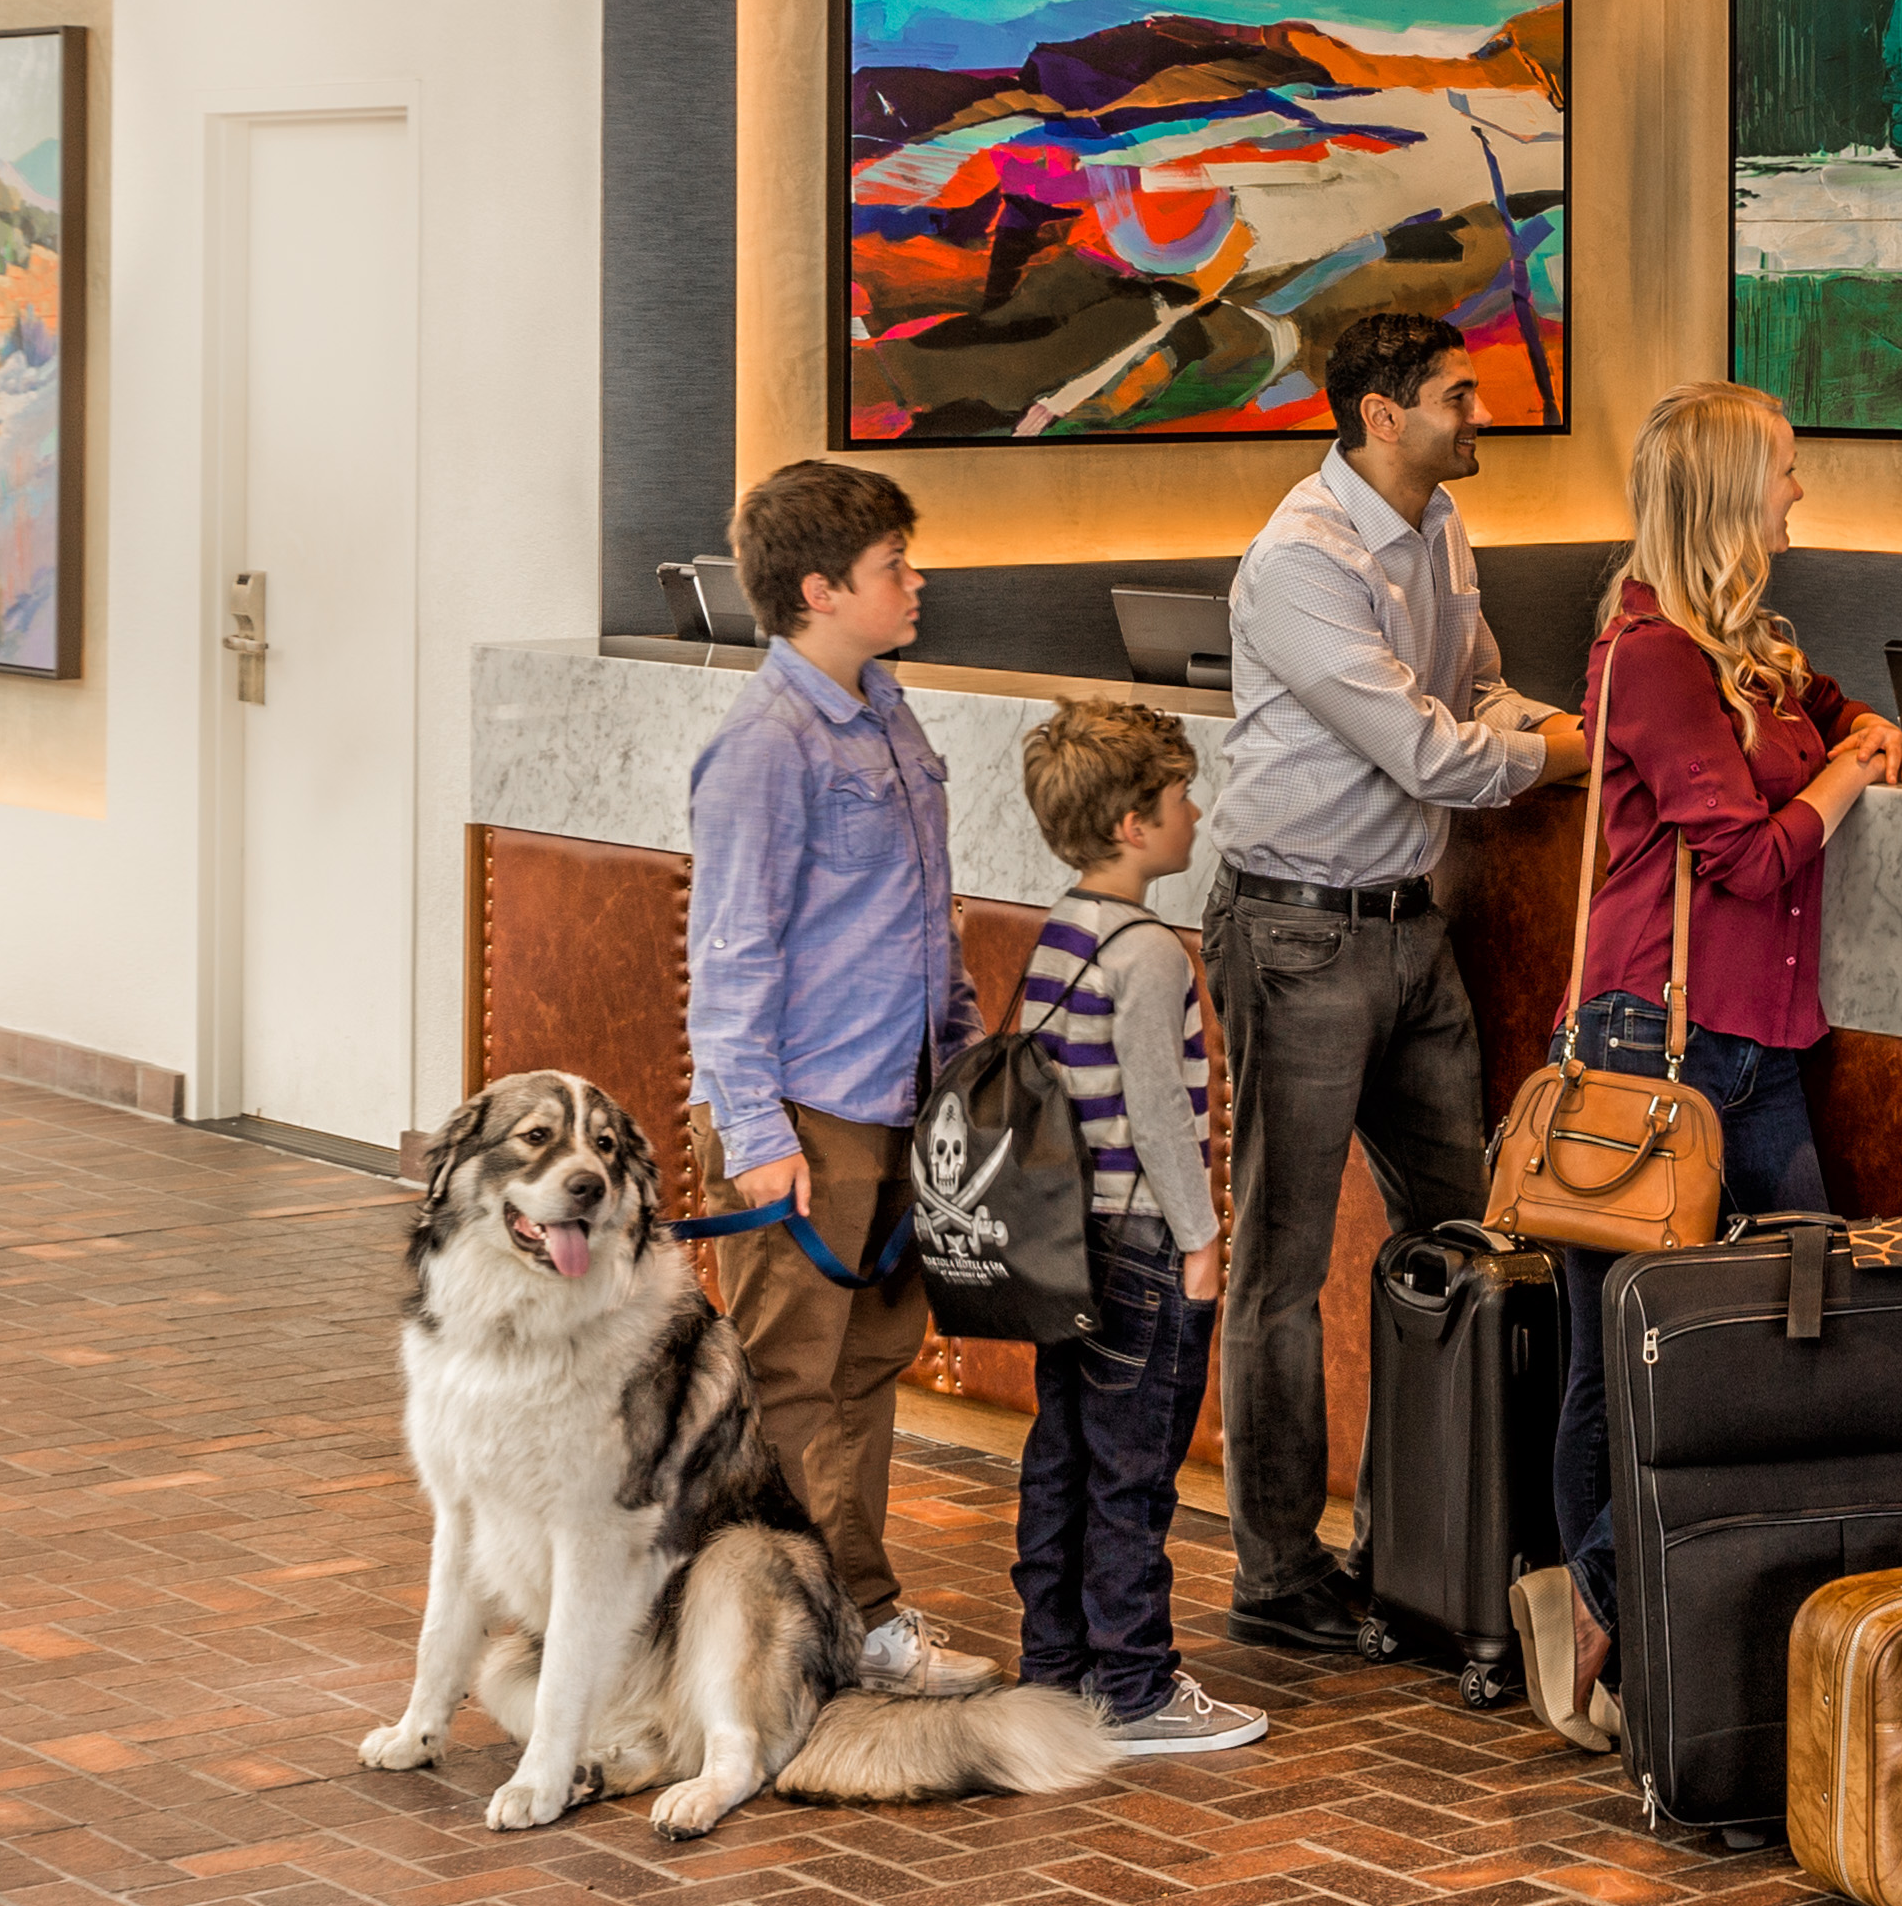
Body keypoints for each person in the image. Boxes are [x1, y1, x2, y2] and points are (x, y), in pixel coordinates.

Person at [1206, 306, 1591, 1655]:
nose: (1480, 415)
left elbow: (1476, 691)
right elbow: (1428, 751)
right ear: (1382, 414)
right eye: (1458, 395)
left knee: (1467, 1236)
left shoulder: (1438, 529)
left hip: (1410, 927)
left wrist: (1576, 725)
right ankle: (1275, 1571)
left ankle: (1429, 1543)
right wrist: (1575, 755)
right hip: (1294, 933)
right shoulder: (1299, 559)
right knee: (1282, 1265)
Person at [1544, 379, 1902, 1708]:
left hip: (1761, 1045)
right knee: (1618, 1350)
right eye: (1782, 468)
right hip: (1648, 1044)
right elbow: (1747, 858)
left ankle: (1600, 1601)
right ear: (1724, 492)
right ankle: (1611, 1628)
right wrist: (1848, 770)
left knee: (1793, 1323)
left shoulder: (1747, 646)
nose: (1797, 490)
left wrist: (1863, 731)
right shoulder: (1649, 653)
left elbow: (1836, 707)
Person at [681, 456, 997, 1699]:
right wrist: (758, 1134)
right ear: (819, 589)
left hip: (898, 1102)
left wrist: (964, 1066)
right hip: (806, 1116)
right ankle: (783, 1642)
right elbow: (731, 953)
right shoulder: (765, 745)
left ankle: (851, 1621)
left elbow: (924, 922)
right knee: (788, 1389)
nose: (915, 582)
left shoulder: (887, 711)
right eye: (891, 566)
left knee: (866, 1371)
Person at [1000, 700, 1265, 1757]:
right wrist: (1201, 1239)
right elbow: (1159, 1113)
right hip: (1142, 1245)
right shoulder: (1149, 949)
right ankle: (1137, 1685)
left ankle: (1055, 1667)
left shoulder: (1063, 931)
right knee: (1135, 1470)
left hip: (1069, 1246)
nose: (1194, 812)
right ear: (1130, 824)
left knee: (1063, 1454)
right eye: (1179, 797)